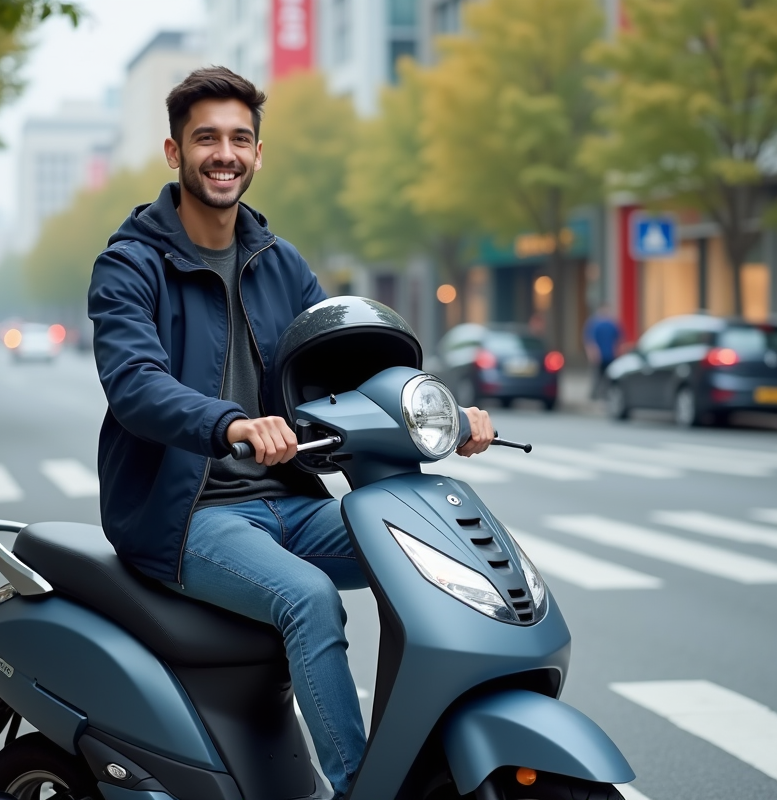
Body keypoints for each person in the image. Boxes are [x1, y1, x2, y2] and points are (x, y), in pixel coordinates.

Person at [87, 67, 494, 799]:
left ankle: (436, 760)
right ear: (174, 153)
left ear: (258, 153)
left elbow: (349, 368)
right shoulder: (130, 264)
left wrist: (446, 420)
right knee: (308, 599)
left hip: (291, 501)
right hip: (188, 514)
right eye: (206, 137)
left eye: (240, 138)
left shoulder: (280, 263)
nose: (225, 153)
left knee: (433, 550)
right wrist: (232, 422)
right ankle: (358, 785)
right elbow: (135, 387)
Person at [583, 305, 621, 400]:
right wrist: (592, 353)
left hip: (610, 355)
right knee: (597, 376)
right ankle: (594, 395)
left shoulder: (612, 324)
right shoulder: (594, 324)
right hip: (599, 356)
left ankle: (605, 394)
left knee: (608, 375)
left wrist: (617, 351)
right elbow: (589, 340)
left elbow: (618, 339)